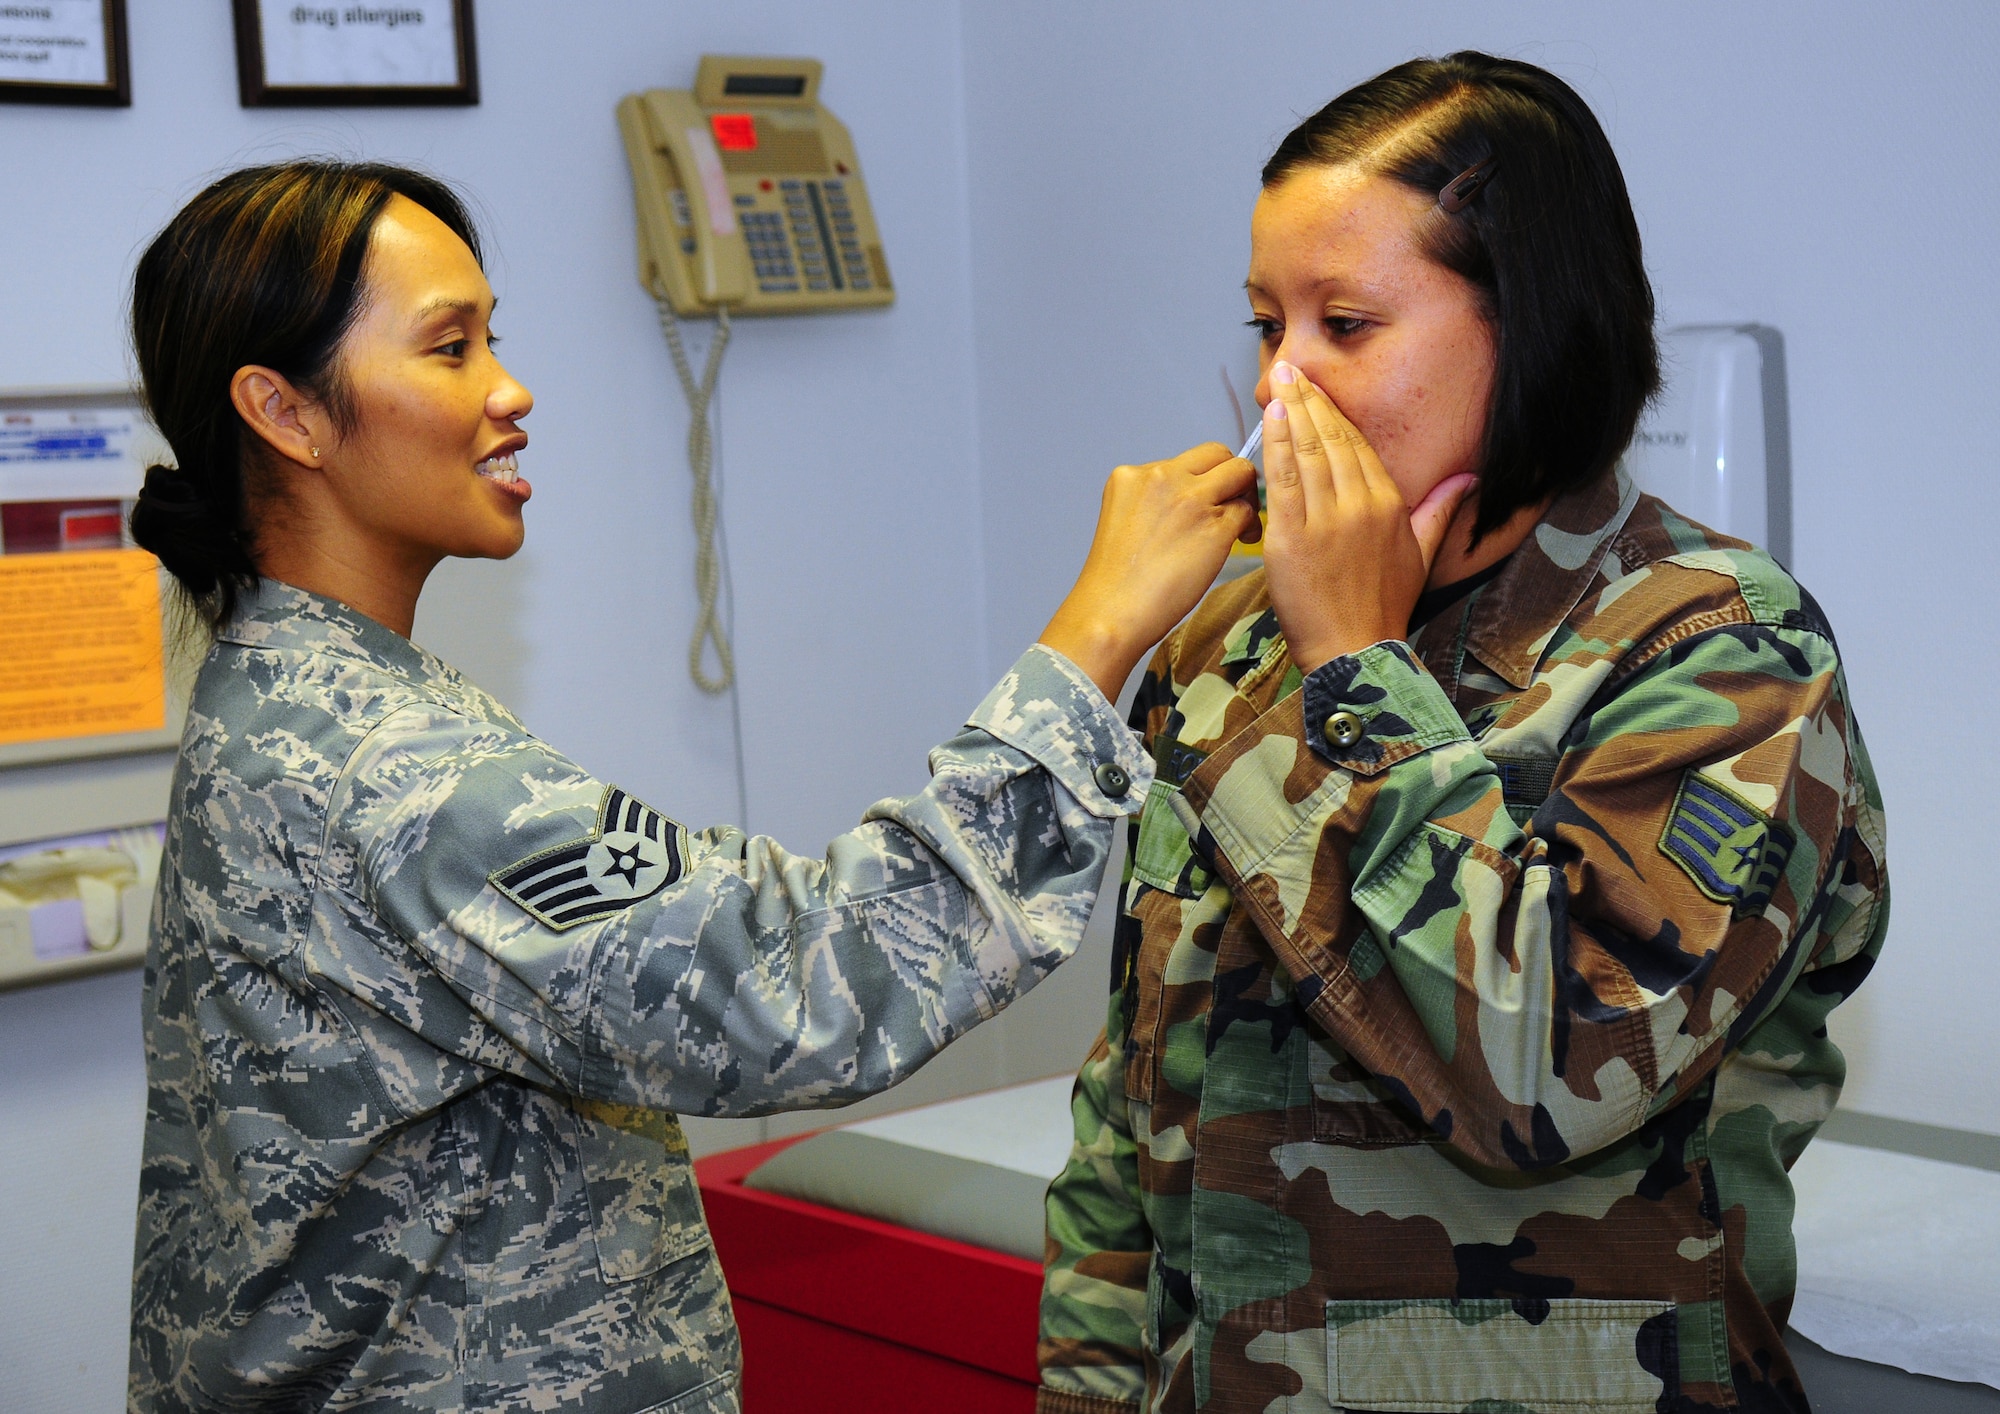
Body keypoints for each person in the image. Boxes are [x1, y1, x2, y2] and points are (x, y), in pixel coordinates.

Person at [123, 160, 1260, 1413]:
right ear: (285, 414)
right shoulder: (378, 762)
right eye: (449, 349)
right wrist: (1098, 630)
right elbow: (807, 978)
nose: (511, 389)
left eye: (495, 337)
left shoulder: (287, 696)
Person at [1037, 52, 1887, 1414]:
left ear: (1534, 323)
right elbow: (1132, 1109)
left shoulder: (1722, 650)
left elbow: (1544, 1074)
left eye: (1348, 324)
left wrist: (1359, 673)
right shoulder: (1223, 641)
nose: (1281, 389)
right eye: (1268, 323)